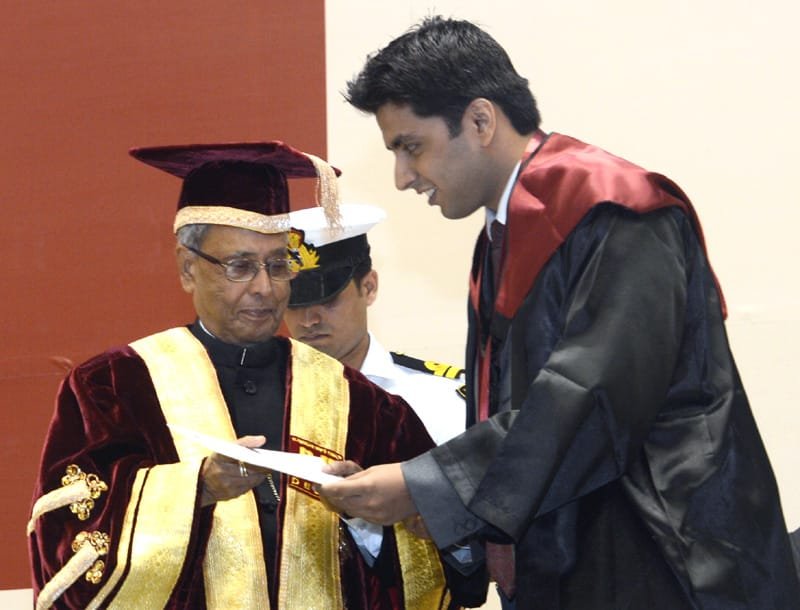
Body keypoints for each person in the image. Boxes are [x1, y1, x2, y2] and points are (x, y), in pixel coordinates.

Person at [318, 16, 800, 610]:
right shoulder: (504, 231)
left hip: (664, 558)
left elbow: (592, 396)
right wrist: (445, 504)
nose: (402, 177)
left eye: (411, 147)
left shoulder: (613, 210)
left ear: (480, 120)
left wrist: (430, 485)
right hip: (582, 558)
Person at [27, 141, 463, 609]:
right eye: (240, 266)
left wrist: (367, 518)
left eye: (278, 265)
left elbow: (437, 556)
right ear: (187, 268)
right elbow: (65, 535)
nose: (265, 287)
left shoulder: (363, 404)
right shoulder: (112, 389)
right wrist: (197, 489)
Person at [284, 202, 466, 445]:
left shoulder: (440, 400)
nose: (308, 320)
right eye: (292, 303)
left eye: (327, 299)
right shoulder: (271, 399)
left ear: (369, 287)